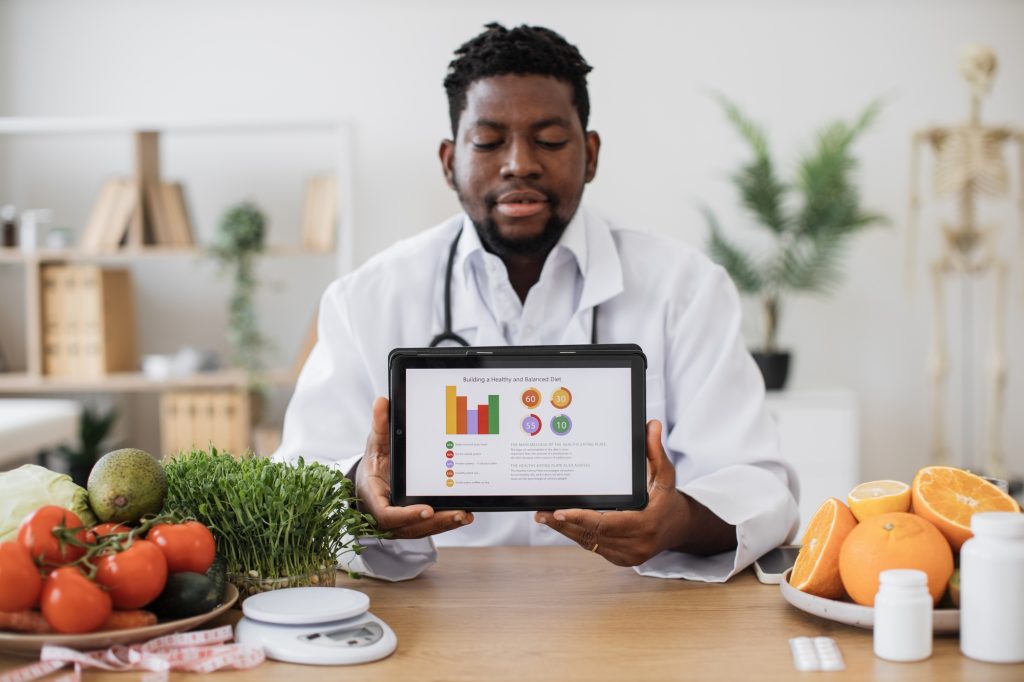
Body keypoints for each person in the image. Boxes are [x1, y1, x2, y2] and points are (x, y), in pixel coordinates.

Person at [274, 23, 799, 582]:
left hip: (631, 619)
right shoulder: (366, 298)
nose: (519, 163)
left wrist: (677, 523)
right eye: (488, 141)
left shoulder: (686, 289)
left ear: (590, 154)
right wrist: (358, 488)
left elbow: (759, 486)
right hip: (436, 615)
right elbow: (297, 481)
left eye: (549, 139)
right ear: (449, 160)